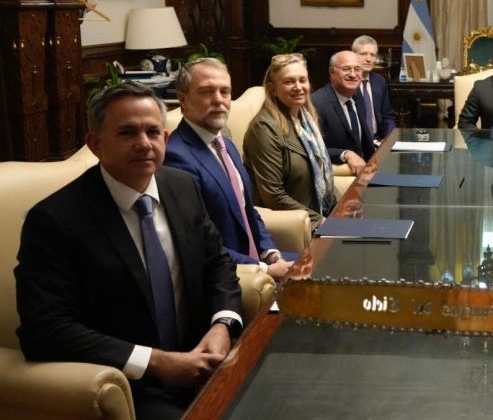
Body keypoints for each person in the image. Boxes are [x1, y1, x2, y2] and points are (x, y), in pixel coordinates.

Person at [15, 82, 242, 419]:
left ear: (165, 140)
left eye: (152, 132)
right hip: (130, 385)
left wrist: (222, 325)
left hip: (204, 362)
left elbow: (217, 264)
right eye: (127, 133)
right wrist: (157, 362)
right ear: (95, 145)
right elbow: (46, 328)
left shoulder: (182, 186)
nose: (143, 144)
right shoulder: (55, 220)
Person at [164, 58, 296, 280]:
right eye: (207, 92)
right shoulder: (177, 157)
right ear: (182, 99)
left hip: (260, 260)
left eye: (225, 92)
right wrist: (264, 270)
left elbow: (247, 210)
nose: (218, 100)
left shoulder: (225, 143)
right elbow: (199, 243)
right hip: (234, 275)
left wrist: (272, 254)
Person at [243, 54, 358, 227]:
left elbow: (322, 174)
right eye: (289, 82)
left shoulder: (307, 119)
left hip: (320, 213)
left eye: (302, 80)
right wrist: (324, 223)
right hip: (296, 224)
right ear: (272, 89)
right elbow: (273, 195)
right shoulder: (264, 128)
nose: (298, 87)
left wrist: (340, 212)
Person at [312, 50, 377, 161]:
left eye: (357, 69)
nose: (352, 74)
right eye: (346, 69)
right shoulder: (316, 103)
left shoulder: (358, 97)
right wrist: (344, 154)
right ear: (332, 72)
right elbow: (312, 149)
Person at [351, 35, 396, 142]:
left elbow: (388, 116)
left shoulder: (380, 81)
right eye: (363, 54)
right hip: (356, 144)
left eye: (373, 55)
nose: (368, 59)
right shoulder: (347, 82)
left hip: (379, 140)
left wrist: (388, 139)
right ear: (353, 55)